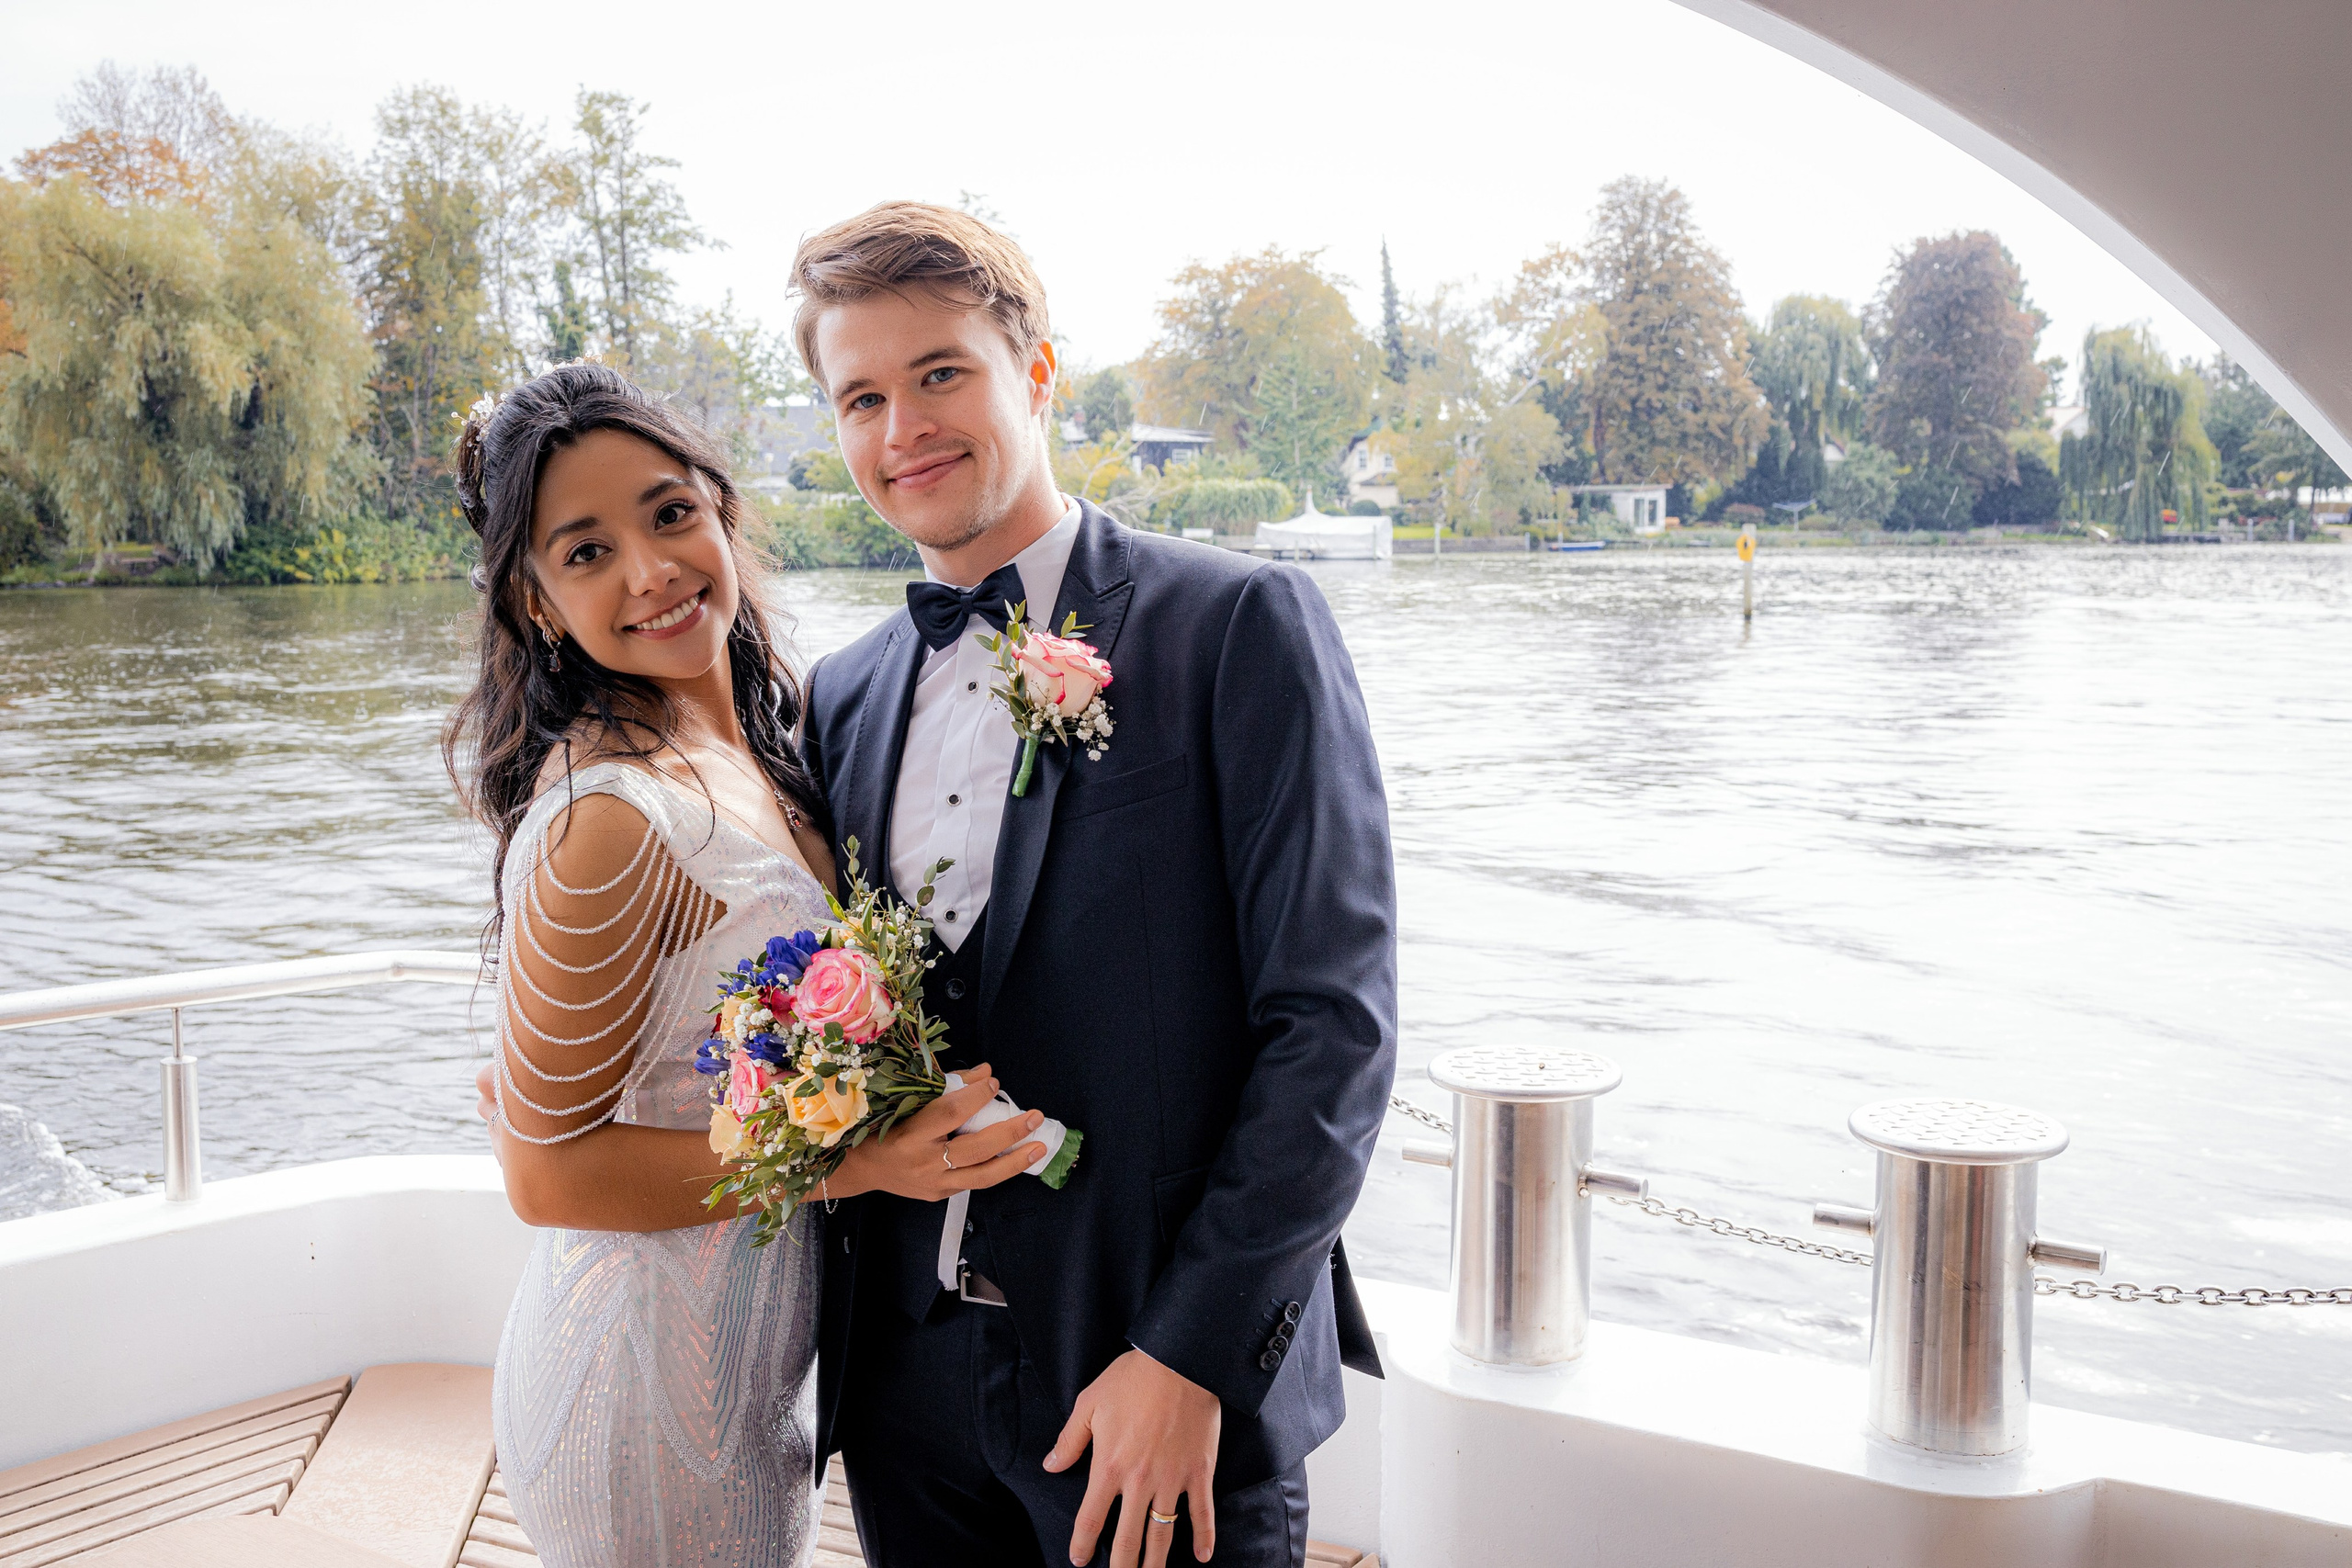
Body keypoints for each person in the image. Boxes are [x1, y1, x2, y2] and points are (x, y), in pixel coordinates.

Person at [795, 203, 1396, 1568]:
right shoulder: (840, 695)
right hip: (905, 1390)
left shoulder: (1238, 626)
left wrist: (1188, 1360)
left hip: (1152, 1392)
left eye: (941, 372)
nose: (905, 431)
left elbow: (1334, 1030)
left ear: (1039, 371)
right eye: (863, 397)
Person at [451, 362, 1047, 1568]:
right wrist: (858, 1160)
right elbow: (546, 1178)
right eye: (585, 551)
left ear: (721, 509)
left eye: (670, 513)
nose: (651, 570)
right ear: (531, 602)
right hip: (640, 1385)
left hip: (751, 1365)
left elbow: (737, 1047)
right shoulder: (607, 819)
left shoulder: (769, 747)